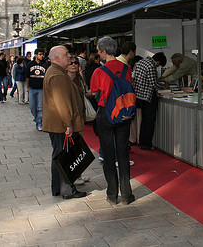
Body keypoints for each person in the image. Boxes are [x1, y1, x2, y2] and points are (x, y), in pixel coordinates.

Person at [90, 36, 135, 205]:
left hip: (105, 115)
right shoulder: (126, 68)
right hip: (123, 113)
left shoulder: (99, 71)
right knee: (123, 153)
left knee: (108, 155)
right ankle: (126, 193)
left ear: (103, 51)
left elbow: (95, 92)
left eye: (98, 51)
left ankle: (111, 194)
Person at [43, 45, 87, 200]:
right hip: (61, 125)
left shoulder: (55, 72)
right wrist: (68, 124)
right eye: (66, 53)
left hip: (56, 124)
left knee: (59, 156)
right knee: (65, 157)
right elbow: (62, 102)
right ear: (57, 58)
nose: (69, 56)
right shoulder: (58, 75)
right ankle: (67, 189)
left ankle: (58, 187)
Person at [132, 52, 167, 151]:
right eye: (159, 65)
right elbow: (153, 84)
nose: (158, 66)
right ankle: (147, 144)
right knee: (150, 121)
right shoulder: (151, 66)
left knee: (144, 120)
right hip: (148, 97)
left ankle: (142, 142)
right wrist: (164, 86)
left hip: (139, 95)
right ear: (158, 61)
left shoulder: (141, 62)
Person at [67, 54, 92, 186]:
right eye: (71, 63)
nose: (74, 65)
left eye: (76, 63)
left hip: (80, 116)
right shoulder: (64, 80)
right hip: (70, 118)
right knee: (72, 147)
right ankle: (73, 173)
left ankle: (79, 172)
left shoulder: (80, 79)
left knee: (79, 146)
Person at [26, 49, 49, 131]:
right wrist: (28, 87)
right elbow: (27, 77)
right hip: (32, 88)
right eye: (40, 54)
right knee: (32, 106)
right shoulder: (30, 64)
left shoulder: (45, 65)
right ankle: (36, 118)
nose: (41, 56)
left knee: (40, 107)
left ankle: (39, 123)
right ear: (35, 55)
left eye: (42, 54)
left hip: (41, 88)